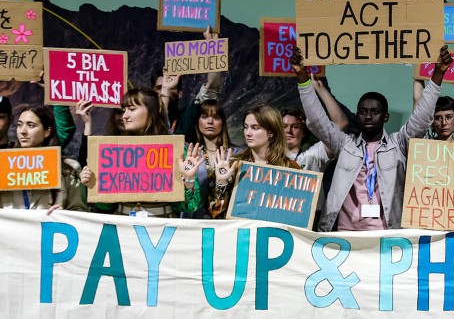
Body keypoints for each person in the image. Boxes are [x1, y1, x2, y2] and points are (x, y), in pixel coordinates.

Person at [290, 45, 453, 231]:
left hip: (386, 235)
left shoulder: (398, 144)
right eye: (363, 112)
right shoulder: (345, 145)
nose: (368, 116)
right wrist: (302, 79)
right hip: (346, 234)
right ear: (357, 115)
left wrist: (438, 75)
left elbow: (421, 119)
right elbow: (318, 121)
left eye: (374, 112)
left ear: (385, 117)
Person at [80, 87, 204, 217]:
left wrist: (189, 180)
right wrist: (92, 184)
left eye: (132, 109)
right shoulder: (114, 151)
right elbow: (105, 206)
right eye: (124, 110)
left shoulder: (174, 149)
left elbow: (189, 206)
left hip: (161, 226)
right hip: (123, 225)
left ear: (151, 111)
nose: (125, 116)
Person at [207, 104, 301, 215]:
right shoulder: (233, 166)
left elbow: (296, 215)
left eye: (255, 128)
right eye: (246, 127)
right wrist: (221, 183)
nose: (248, 133)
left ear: (271, 132)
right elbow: (214, 211)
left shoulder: (290, 168)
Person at [0, 106, 86, 212]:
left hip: (51, 228)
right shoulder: (3, 165)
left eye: (31, 125)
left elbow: (81, 212)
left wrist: (64, 215)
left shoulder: (70, 169)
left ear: (47, 131)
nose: (22, 131)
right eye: (19, 125)